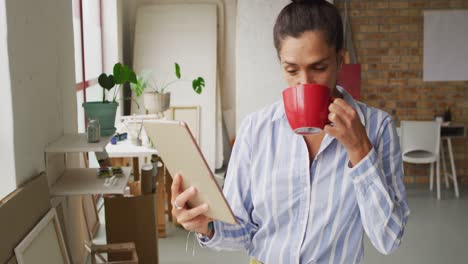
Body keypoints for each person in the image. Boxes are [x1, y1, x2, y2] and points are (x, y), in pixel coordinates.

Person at [170, 0, 410, 263]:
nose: (304, 83)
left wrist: (359, 149)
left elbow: (388, 238)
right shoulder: (256, 130)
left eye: (319, 68)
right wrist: (208, 225)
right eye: (291, 70)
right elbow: (243, 230)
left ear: (341, 60)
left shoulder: (377, 127)